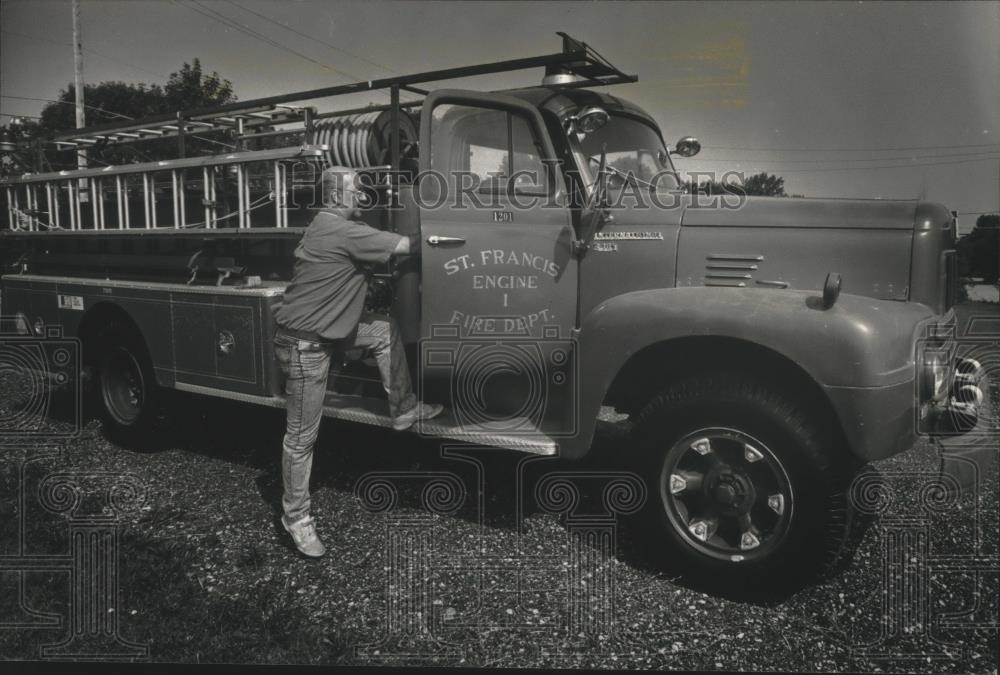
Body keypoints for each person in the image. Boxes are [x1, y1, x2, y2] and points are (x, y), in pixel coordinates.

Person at [272, 166, 443, 557]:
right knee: (301, 439)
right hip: (305, 346)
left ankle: (403, 408)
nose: (362, 195)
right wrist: (444, 232)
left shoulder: (326, 224)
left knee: (382, 331)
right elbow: (407, 246)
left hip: (327, 332)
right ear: (336, 196)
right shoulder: (344, 232)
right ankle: (296, 517)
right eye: (355, 189)